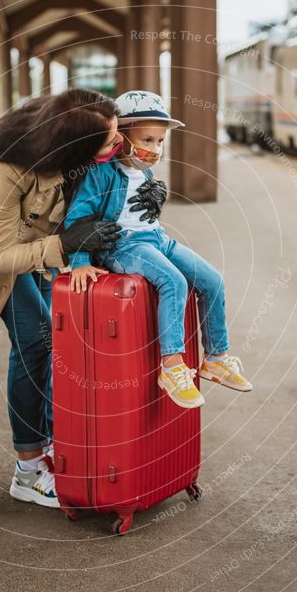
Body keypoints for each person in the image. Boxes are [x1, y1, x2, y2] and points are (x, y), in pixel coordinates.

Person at [0, 89, 165, 507]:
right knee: (37, 343)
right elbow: (0, 255)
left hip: (42, 249)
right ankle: (27, 470)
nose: (119, 146)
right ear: (73, 147)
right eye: (111, 141)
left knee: (55, 342)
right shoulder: (10, 166)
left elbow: (114, 184)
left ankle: (50, 447)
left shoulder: (80, 152)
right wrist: (65, 244)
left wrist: (147, 191)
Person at [64, 90, 253, 410]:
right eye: (147, 140)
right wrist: (80, 260)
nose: (155, 149)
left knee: (212, 281)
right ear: (120, 137)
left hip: (157, 239)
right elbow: (78, 220)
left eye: (160, 142)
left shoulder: (145, 171)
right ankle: (172, 366)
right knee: (174, 281)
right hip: (122, 246)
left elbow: (140, 215)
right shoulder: (99, 174)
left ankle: (216, 358)